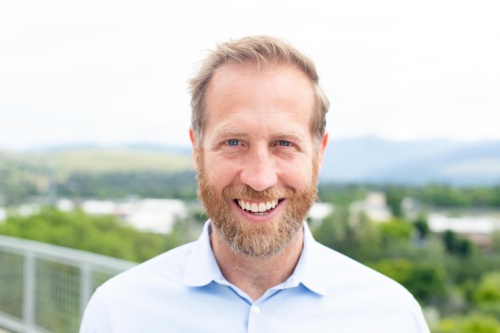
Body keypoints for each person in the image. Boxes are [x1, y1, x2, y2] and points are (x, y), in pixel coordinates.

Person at [80, 35, 430, 332]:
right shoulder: (119, 314)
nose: (259, 179)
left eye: (284, 144)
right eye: (234, 143)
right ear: (197, 150)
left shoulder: (392, 318)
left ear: (318, 154)